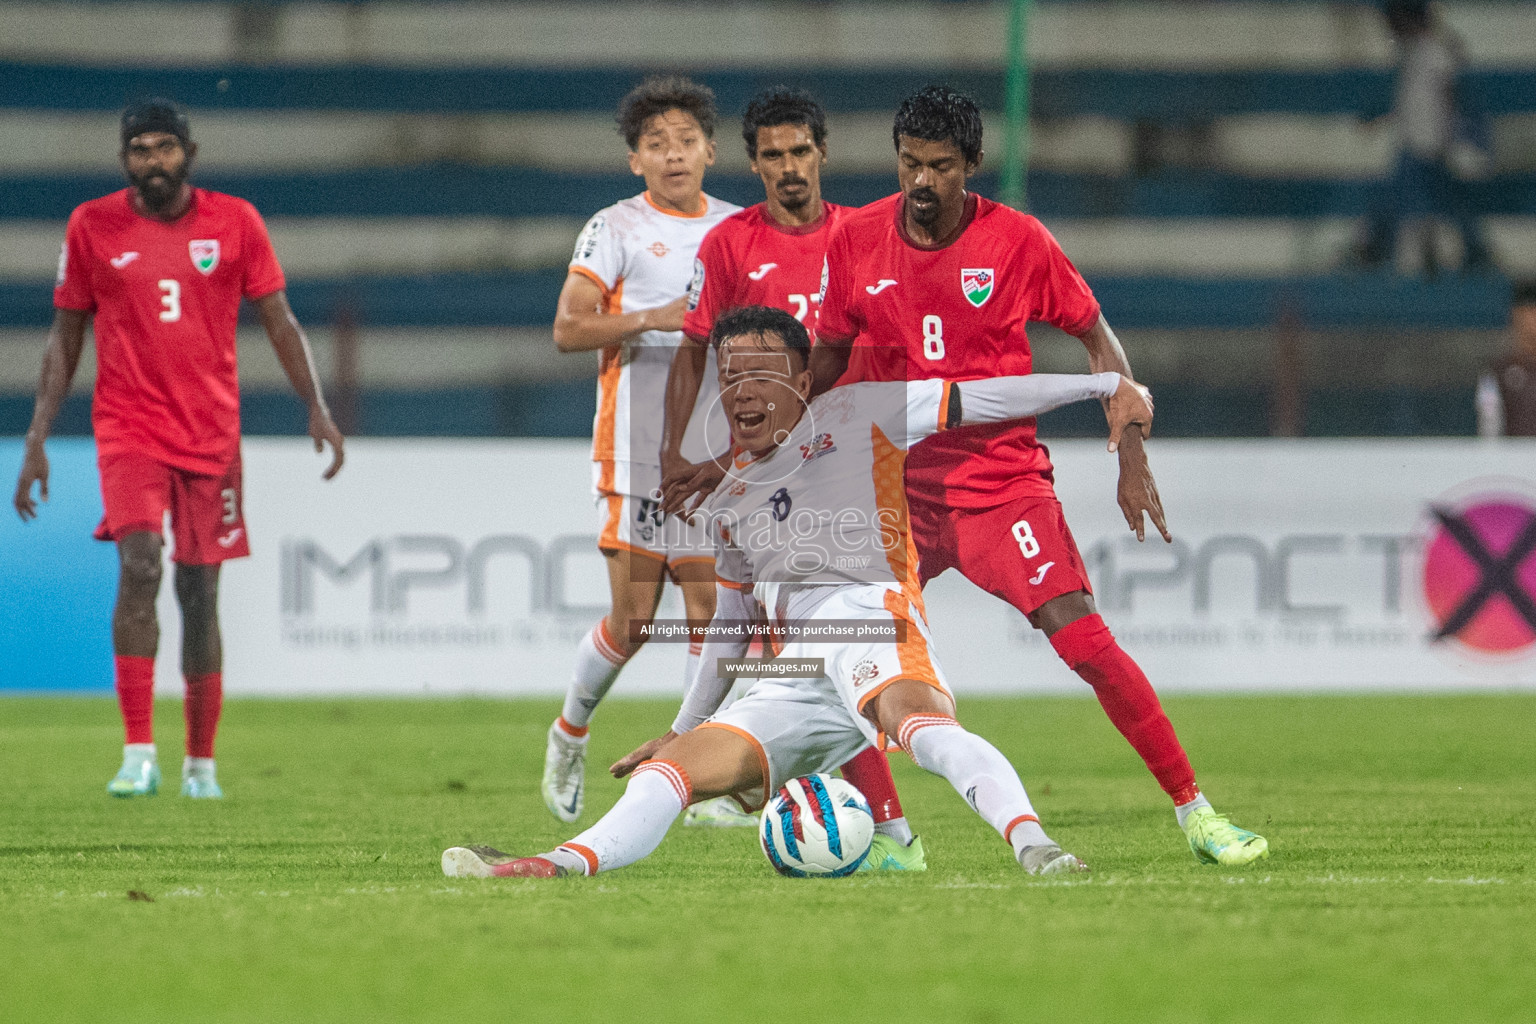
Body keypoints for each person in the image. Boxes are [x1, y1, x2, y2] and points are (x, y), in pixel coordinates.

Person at [443, 305, 1151, 879]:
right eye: (729, 374)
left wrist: (1100, 387)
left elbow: (982, 398)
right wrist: (683, 729)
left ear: (803, 379)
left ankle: (1037, 849)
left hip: (872, 624)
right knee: (670, 771)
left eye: (761, 371)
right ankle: (558, 864)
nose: (742, 389)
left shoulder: (860, 414)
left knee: (922, 728)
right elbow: (729, 630)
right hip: (793, 671)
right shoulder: (729, 500)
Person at [809, 86, 1268, 866]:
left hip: (1000, 482)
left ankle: (1198, 815)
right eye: (910, 163)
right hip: (892, 490)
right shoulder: (854, 238)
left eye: (941, 167)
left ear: (972, 167)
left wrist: (1130, 455)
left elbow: (1098, 340)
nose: (922, 181)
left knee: (1084, 641)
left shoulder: (1016, 241)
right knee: (836, 646)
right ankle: (893, 839)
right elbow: (824, 360)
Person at [11, 98, 345, 799]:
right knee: (139, 566)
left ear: (190, 153)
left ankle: (200, 764)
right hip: (128, 428)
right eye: (139, 149)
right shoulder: (91, 225)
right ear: (124, 159)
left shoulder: (236, 221)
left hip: (211, 434)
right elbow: (65, 335)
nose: (152, 160)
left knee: (200, 591)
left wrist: (314, 405)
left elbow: (278, 321)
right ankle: (138, 753)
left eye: (165, 147)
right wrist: (38, 438)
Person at [660, 86, 925, 872]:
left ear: (823, 154)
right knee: (798, 647)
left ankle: (877, 824)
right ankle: (876, 826)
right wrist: (681, 455)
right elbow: (694, 350)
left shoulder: (865, 235)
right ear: (754, 164)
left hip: (851, 466)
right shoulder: (730, 247)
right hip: (770, 475)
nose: (788, 167)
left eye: (800, 151)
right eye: (772, 155)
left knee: (818, 645)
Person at [546, 75, 747, 827]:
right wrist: (657, 317)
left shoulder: (739, 229)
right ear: (635, 160)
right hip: (633, 449)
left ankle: (690, 775)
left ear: (711, 151)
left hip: (711, 456)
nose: (673, 155)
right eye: (656, 144)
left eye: (685, 141)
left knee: (709, 610)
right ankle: (569, 731)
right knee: (633, 622)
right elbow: (569, 328)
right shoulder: (616, 228)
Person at [1354, 0, 1491, 274]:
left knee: (1408, 198)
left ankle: (1375, 248)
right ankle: (1474, 251)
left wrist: (1452, 134)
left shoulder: (1434, 51)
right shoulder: (1413, 52)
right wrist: (1381, 118)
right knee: (1436, 199)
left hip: (1429, 143)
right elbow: (1409, 99)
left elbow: (1448, 96)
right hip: (1416, 141)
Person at [1476, 280, 1536, 437]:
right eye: (1528, 313)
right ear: (1516, 316)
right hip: (1512, 459)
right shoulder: (1497, 372)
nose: (1532, 322)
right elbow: (1488, 426)